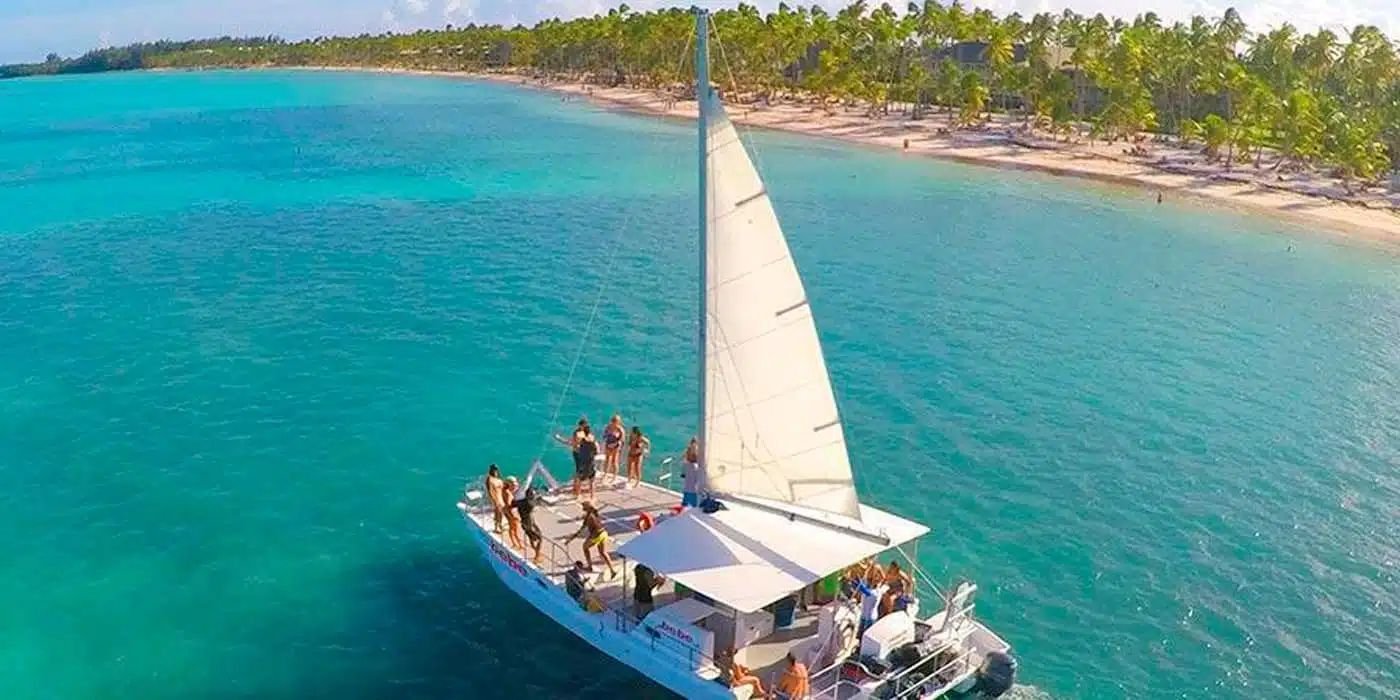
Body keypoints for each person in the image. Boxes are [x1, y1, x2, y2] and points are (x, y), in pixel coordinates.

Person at [564, 502, 616, 580]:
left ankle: (590, 566)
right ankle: (612, 570)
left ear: (587, 508)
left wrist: (570, 539)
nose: (582, 507)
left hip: (596, 535)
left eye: (583, 506)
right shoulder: (595, 514)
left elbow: (580, 530)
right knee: (602, 552)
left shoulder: (588, 517)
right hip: (604, 533)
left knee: (585, 547)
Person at [513, 486, 545, 565]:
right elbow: (535, 502)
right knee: (540, 539)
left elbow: (513, 503)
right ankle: (537, 556)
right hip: (530, 524)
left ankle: (536, 552)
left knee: (531, 538)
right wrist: (539, 498)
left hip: (524, 523)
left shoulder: (521, 502)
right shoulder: (530, 503)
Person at [572, 422, 599, 502]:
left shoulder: (582, 441)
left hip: (583, 463)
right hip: (591, 462)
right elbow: (597, 451)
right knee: (592, 480)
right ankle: (592, 496)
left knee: (579, 479)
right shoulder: (593, 440)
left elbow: (576, 448)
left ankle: (578, 495)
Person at [501, 476, 524, 551]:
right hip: (511, 513)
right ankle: (519, 545)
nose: (515, 487)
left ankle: (514, 543)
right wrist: (513, 516)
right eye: (513, 485)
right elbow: (508, 505)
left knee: (512, 528)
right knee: (516, 529)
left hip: (508, 512)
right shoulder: (508, 493)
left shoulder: (504, 490)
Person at [602, 414, 625, 485]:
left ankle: (614, 477)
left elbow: (622, 440)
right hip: (608, 445)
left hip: (616, 447)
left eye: (616, 421)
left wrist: (615, 444)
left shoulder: (620, 429)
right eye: (613, 421)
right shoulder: (608, 427)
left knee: (614, 462)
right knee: (607, 460)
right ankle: (606, 474)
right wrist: (606, 439)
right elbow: (604, 436)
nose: (614, 422)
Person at [484, 464, 506, 534]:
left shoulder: (498, 478)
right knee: (497, 513)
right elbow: (490, 490)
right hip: (496, 498)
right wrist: (493, 500)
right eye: (494, 469)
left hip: (501, 497)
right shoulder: (489, 479)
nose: (495, 470)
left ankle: (500, 525)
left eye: (496, 469)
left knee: (501, 513)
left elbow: (503, 488)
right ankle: (496, 527)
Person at [681, 437, 702, 508]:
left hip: (686, 490)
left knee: (684, 507)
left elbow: (683, 475)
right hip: (694, 491)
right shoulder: (698, 468)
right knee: (694, 508)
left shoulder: (685, 465)